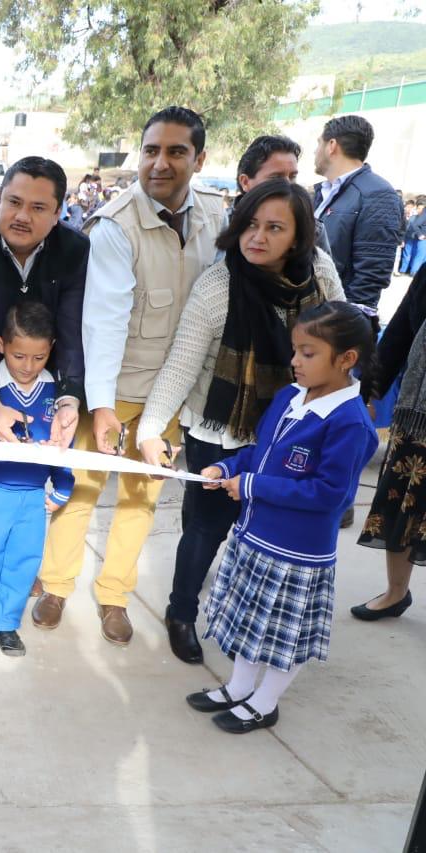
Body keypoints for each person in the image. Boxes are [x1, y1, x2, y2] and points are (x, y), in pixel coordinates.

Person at [34, 106, 224, 647]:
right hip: (113, 390)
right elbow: (105, 324)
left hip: (172, 395)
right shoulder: (115, 225)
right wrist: (102, 408)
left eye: (175, 152)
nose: (159, 163)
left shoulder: (216, 219)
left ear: (199, 158)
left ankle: (114, 595)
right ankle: (56, 585)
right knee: (82, 491)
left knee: (143, 497)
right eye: (150, 151)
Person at [137, 179, 344, 663]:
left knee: (267, 531)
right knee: (205, 529)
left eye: (275, 228)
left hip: (292, 428)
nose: (258, 237)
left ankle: (245, 616)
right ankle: (181, 612)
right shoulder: (219, 283)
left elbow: (341, 339)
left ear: (297, 237)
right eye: (251, 224)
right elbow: (182, 365)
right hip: (220, 430)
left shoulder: (317, 274)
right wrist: (150, 431)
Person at [187, 301, 378, 733]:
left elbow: (330, 495)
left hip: (296, 554)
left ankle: (265, 701)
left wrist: (253, 486)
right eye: (295, 350)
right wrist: (230, 468)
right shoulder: (290, 397)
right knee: (251, 624)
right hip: (256, 537)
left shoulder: (350, 424)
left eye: (308, 353)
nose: (295, 362)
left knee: (281, 637)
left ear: (346, 359)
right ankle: (239, 688)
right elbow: (262, 453)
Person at [0, 155, 87, 447]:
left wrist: (68, 398)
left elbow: (72, 329)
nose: (22, 216)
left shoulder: (75, 249)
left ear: (57, 213)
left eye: (38, 208)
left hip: (42, 379)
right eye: (14, 202)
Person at [0, 301, 73, 658]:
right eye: (19, 356)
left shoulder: (56, 393)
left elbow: (63, 446)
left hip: (33, 496)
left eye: (39, 358)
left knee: (23, 562)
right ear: (0, 345)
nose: (28, 366)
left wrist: (64, 486)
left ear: (51, 350)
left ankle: (7, 623)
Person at [353, 262, 426, 620]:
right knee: (399, 505)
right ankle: (396, 593)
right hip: (416, 416)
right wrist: (367, 394)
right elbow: (397, 337)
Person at [312, 114, 405, 313]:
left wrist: (345, 321)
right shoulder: (322, 192)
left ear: (332, 146)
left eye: (318, 143)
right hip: (310, 310)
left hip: (334, 318)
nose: (315, 151)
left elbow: (371, 274)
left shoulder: (377, 194)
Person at [235, 134, 333, 256]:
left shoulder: (312, 230)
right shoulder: (218, 224)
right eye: (276, 178)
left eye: (292, 177)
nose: (287, 185)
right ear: (245, 182)